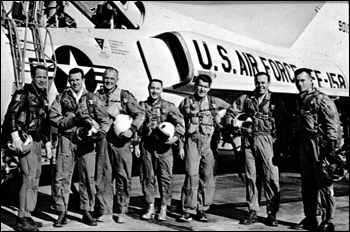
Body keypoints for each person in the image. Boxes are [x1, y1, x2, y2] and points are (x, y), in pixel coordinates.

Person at [224, 72, 288, 227]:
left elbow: (283, 124)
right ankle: (252, 210)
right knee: (251, 176)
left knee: (271, 177)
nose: (261, 85)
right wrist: (233, 125)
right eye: (258, 82)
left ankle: (272, 213)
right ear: (254, 82)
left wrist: (281, 147)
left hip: (267, 140)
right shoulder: (246, 99)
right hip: (248, 140)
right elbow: (230, 112)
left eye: (263, 82)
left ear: (269, 83)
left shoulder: (275, 101)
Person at [49, 68, 110, 227]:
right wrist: (72, 121)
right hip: (67, 139)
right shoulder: (62, 97)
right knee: (62, 176)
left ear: (82, 79)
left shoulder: (91, 98)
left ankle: (87, 210)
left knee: (87, 176)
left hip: (86, 142)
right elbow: (53, 117)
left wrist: (101, 133)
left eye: (77, 79)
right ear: (69, 80)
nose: (75, 82)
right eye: (72, 80)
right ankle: (62, 211)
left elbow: (104, 119)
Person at [290, 68, 342, 231]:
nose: (300, 84)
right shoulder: (300, 100)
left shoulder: (321, 99)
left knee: (324, 184)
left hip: (320, 146)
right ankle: (310, 217)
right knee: (307, 183)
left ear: (311, 80)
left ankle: (328, 220)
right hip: (305, 145)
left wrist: (332, 149)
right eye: (297, 81)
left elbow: (332, 124)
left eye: (303, 80)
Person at [2, 65, 52, 231]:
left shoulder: (43, 97)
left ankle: (27, 214)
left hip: (37, 143)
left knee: (35, 178)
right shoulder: (22, 94)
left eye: (45, 77)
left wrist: (47, 143)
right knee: (28, 177)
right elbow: (10, 116)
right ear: (32, 77)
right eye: (39, 77)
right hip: (26, 141)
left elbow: (43, 123)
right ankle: (21, 217)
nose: (42, 80)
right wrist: (16, 137)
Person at [178, 74, 234, 222]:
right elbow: (179, 123)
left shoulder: (214, 101)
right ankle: (188, 209)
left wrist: (224, 122)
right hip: (192, 142)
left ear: (209, 88)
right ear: (195, 85)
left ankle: (202, 209)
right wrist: (180, 145)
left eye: (205, 86)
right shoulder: (186, 102)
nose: (202, 89)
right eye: (200, 85)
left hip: (209, 143)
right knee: (191, 174)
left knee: (207, 176)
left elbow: (232, 109)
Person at [94, 67, 145, 223]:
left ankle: (122, 210)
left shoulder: (125, 96)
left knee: (122, 176)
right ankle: (106, 209)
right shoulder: (97, 97)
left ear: (117, 80)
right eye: (106, 78)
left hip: (121, 141)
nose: (108, 81)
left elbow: (140, 113)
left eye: (111, 78)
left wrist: (132, 129)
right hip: (103, 141)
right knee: (103, 175)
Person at [138, 79, 185, 221]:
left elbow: (180, 123)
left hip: (164, 148)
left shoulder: (168, 106)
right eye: (152, 88)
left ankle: (164, 207)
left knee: (165, 178)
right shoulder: (142, 106)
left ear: (161, 90)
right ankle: (150, 206)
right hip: (147, 146)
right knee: (147, 177)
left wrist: (175, 137)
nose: (154, 91)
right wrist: (135, 144)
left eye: (157, 89)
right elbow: (137, 126)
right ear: (148, 88)